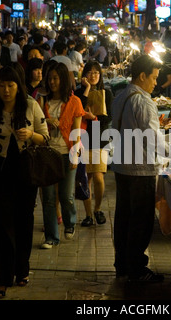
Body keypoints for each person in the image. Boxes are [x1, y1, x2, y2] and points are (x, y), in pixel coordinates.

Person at [111, 55, 171, 282]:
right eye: (154, 77)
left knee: (123, 218)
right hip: (140, 170)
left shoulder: (119, 97)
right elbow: (154, 141)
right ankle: (137, 269)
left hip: (121, 166)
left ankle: (122, 266)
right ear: (142, 76)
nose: (156, 83)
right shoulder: (144, 101)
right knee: (140, 220)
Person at [0, 66, 49, 298]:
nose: (6, 90)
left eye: (11, 85)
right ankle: (2, 279)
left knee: (24, 222)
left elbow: (45, 137)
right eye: (1, 85)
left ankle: (22, 269)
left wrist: (31, 135)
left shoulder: (30, 106)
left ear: (18, 86)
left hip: (26, 172)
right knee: (1, 226)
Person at [39, 61, 85, 249]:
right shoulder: (42, 101)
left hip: (67, 153)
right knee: (49, 198)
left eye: (56, 78)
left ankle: (70, 223)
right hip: (47, 153)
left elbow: (77, 131)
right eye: (50, 78)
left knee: (66, 195)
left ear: (63, 80)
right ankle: (51, 237)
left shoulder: (74, 101)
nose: (52, 82)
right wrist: (46, 120)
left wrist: (75, 154)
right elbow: (36, 123)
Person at [74, 61, 113, 227]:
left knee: (98, 176)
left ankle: (98, 209)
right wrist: (87, 89)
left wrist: (94, 117)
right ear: (84, 75)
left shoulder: (107, 93)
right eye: (90, 72)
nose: (93, 75)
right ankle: (88, 214)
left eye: (96, 72)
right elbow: (77, 111)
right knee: (85, 178)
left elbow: (108, 117)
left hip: (100, 138)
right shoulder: (78, 92)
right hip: (83, 138)